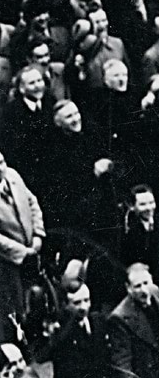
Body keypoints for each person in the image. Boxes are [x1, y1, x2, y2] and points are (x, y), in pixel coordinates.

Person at [108, 263, 159, 378]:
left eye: (146, 283)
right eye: (137, 286)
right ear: (128, 288)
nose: (144, 290)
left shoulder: (156, 293)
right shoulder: (120, 318)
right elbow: (122, 364)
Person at [0, 151, 43, 332]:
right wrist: (21, 251)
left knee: (38, 296)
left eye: (1, 162)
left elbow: (32, 202)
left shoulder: (13, 176)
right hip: (7, 261)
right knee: (15, 307)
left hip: (32, 250)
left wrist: (38, 234)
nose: (0, 169)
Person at [49, 280, 112, 378]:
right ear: (65, 305)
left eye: (86, 300)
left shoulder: (98, 320)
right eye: (76, 303)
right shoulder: (61, 332)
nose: (83, 307)